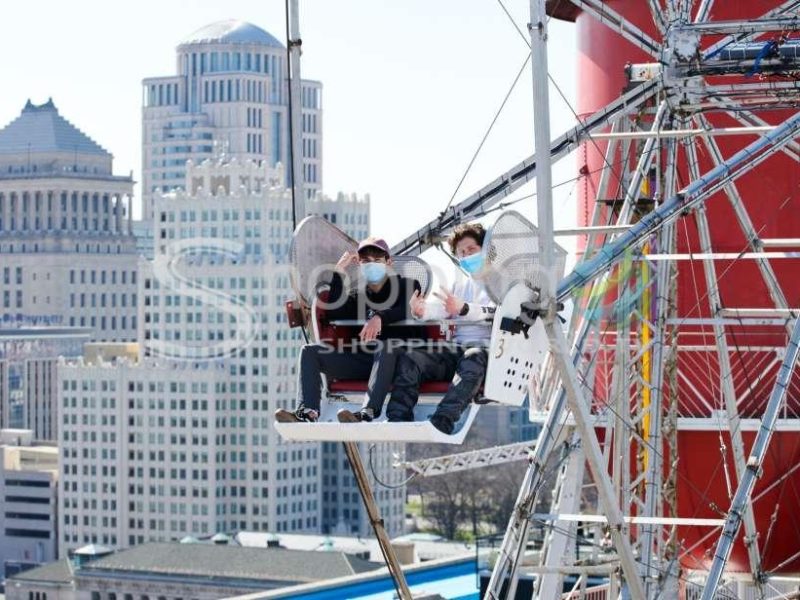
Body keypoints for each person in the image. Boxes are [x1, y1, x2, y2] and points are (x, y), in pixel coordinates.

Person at [275, 237, 422, 423]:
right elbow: (333, 310)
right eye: (366, 261)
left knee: (386, 347)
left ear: (389, 262)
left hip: (399, 362)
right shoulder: (360, 296)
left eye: (377, 261)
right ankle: (308, 411)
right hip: (366, 361)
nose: (371, 265)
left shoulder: (408, 285)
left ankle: (368, 411)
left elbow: (408, 309)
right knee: (310, 352)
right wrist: (338, 272)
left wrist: (380, 318)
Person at [382, 223, 495, 434]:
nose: (466, 255)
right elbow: (444, 309)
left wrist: (464, 309)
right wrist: (422, 311)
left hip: (488, 353)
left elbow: (495, 312)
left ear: (484, 249)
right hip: (457, 351)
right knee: (411, 357)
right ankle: (398, 418)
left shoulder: (499, 283)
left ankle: (442, 422)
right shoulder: (460, 284)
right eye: (461, 253)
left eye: (471, 249)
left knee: (473, 357)